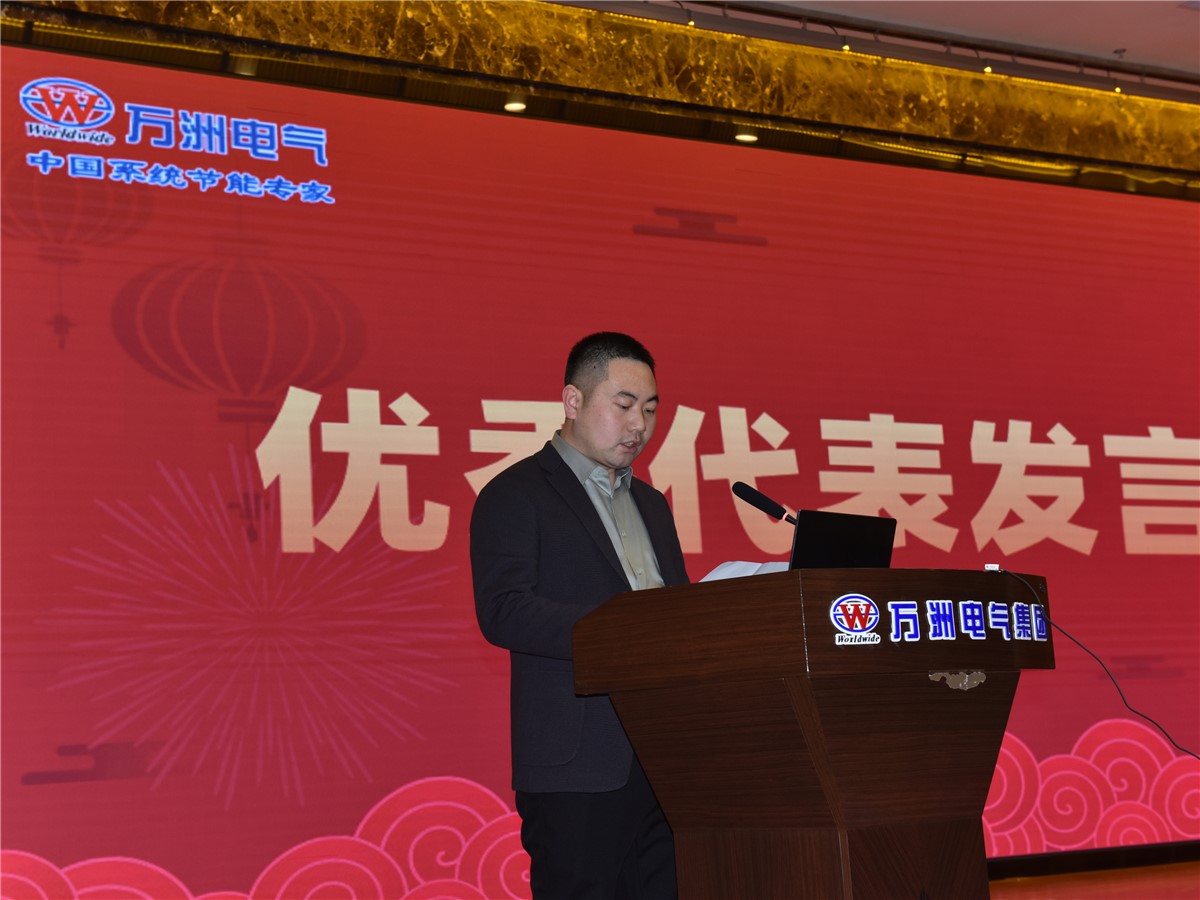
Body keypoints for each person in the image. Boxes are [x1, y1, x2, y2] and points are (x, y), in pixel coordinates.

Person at [470, 332, 689, 899]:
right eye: (624, 405)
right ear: (573, 401)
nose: (639, 425)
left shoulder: (652, 505)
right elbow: (503, 610)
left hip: (665, 759)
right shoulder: (515, 494)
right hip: (577, 766)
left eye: (650, 409)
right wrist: (623, 629)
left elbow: (674, 612)